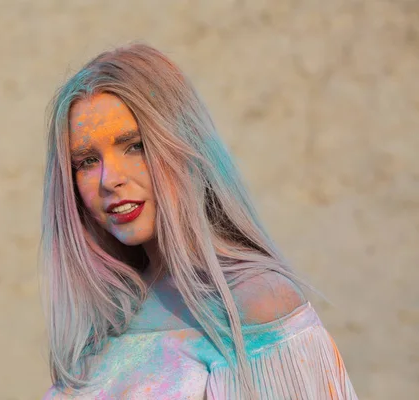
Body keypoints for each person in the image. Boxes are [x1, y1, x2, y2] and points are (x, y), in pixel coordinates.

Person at [39, 43, 357, 399]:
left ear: (183, 144)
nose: (109, 179)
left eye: (135, 145)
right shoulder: (107, 321)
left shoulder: (257, 304)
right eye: (86, 161)